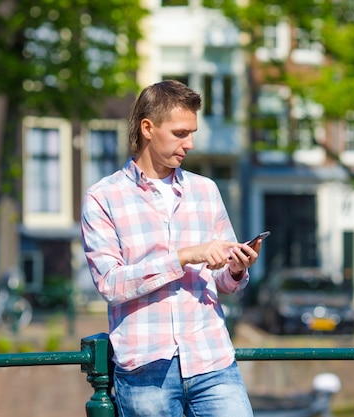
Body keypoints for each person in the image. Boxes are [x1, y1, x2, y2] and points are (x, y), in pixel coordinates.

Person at [81, 79, 260, 417]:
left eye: (192, 132)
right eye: (180, 133)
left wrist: (236, 268)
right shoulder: (102, 198)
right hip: (147, 368)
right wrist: (183, 257)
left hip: (212, 360)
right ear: (148, 128)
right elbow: (111, 284)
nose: (190, 143)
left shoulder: (206, 190)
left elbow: (223, 283)